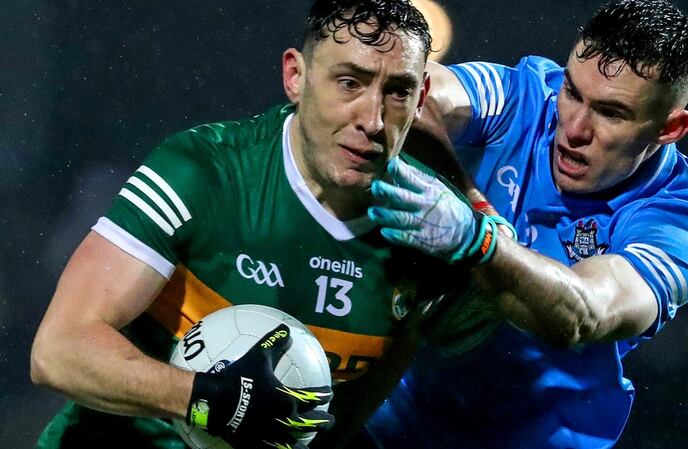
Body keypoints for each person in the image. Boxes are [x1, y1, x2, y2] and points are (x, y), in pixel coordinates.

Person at [28, 1, 469, 448]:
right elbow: (59, 351)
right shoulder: (205, 171)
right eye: (349, 82)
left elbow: (349, 411)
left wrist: (485, 247)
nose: (372, 120)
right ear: (295, 77)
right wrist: (204, 399)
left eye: (397, 92)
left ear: (421, 97)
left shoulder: (429, 226)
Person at [363, 0, 688, 448]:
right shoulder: (528, 94)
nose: (571, 129)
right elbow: (410, 98)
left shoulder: (678, 219)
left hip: (532, 437)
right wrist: (479, 209)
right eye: (573, 92)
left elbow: (586, 313)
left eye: (610, 113)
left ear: (670, 127)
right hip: (400, 406)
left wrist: (480, 246)